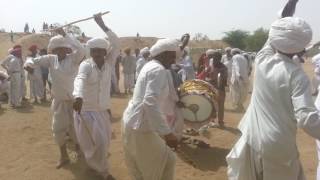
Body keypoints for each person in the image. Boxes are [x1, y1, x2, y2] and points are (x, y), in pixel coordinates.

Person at [226, 1, 320, 179]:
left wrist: (291, 4)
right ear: (302, 47)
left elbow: (278, 31)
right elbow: (307, 118)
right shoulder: (297, 76)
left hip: (252, 138)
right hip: (279, 144)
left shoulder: (262, 60)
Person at [122, 38, 183, 180]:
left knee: (168, 160)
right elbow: (150, 102)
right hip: (141, 127)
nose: (174, 60)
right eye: (172, 56)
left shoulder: (151, 66)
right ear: (162, 55)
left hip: (138, 123)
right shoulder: (157, 69)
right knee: (152, 170)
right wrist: (167, 134)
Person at [30, 28, 85, 168]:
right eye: (57, 48)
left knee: (76, 127)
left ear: (67, 49)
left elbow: (82, 50)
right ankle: (64, 156)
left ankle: (80, 151)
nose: (60, 51)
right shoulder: (50, 59)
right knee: (58, 128)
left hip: (74, 101)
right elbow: (33, 60)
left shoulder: (73, 58)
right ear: (53, 50)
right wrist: (28, 65)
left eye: (63, 48)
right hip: (59, 101)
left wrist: (65, 34)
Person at [73, 14, 119, 180]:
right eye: (94, 50)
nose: (98, 53)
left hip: (102, 110)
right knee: (94, 143)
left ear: (105, 52)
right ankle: (103, 172)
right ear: (90, 52)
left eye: (101, 50)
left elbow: (116, 42)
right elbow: (80, 80)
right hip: (86, 110)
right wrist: (78, 96)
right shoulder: (86, 65)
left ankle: (97, 165)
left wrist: (102, 24)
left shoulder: (109, 63)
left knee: (103, 143)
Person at [208, 51, 228, 127]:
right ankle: (212, 120)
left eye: (215, 59)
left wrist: (212, 81)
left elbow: (223, 80)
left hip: (220, 90)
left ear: (219, 59)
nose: (213, 60)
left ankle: (220, 121)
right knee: (211, 105)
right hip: (212, 89)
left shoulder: (223, 68)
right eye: (213, 59)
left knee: (220, 106)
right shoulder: (212, 66)